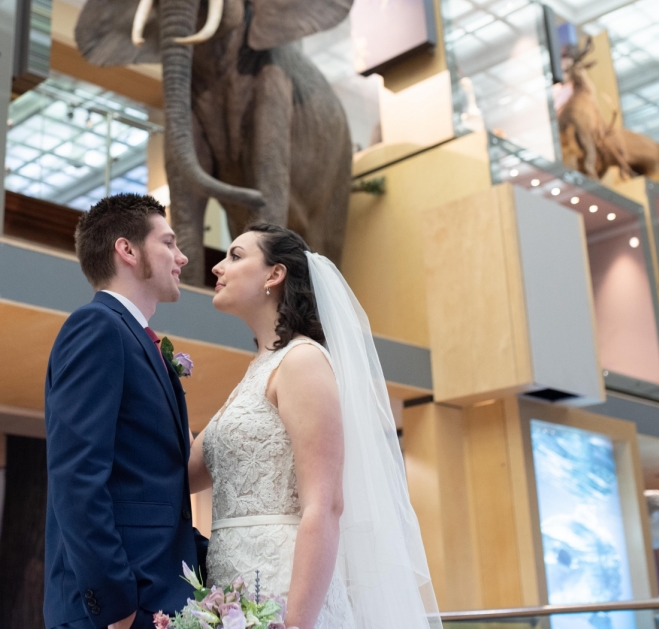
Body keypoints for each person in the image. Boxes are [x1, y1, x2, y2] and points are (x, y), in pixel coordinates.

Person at [189, 224, 443, 629]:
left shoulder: (302, 361)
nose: (218, 267)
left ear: (274, 275)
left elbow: (325, 505)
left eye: (235, 256)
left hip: (286, 591)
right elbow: (188, 472)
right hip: (231, 589)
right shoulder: (256, 373)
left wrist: (298, 622)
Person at [44, 194, 204, 629]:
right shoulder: (96, 327)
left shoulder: (134, 337)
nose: (182, 257)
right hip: (115, 611)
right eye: (169, 243)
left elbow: (154, 491)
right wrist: (117, 604)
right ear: (127, 250)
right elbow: (77, 476)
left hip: (160, 598)